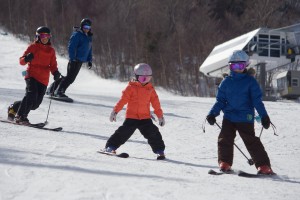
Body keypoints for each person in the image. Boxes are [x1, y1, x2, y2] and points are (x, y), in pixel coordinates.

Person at [206, 50, 274, 175]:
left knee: (251, 140)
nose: (237, 69)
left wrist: (264, 116)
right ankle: (225, 162)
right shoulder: (226, 82)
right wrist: (212, 114)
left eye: (240, 66)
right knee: (224, 138)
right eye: (234, 66)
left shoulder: (250, 82)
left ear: (245, 66)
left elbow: (257, 102)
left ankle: (263, 165)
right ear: (230, 66)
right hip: (229, 117)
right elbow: (220, 101)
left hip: (245, 117)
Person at [103, 63, 166, 159]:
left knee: (153, 133)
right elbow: (123, 100)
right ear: (136, 77)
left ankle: (160, 151)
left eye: (148, 78)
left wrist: (160, 116)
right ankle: (110, 147)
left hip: (145, 117)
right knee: (123, 133)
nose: (145, 81)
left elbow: (156, 104)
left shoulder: (150, 89)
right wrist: (115, 111)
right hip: (131, 117)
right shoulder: (131, 88)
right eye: (142, 78)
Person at [7, 26, 61, 124]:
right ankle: (21, 116)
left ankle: (14, 107)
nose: (45, 38)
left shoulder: (51, 51)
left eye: (47, 36)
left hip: (43, 79)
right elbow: (21, 61)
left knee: (35, 104)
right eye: (43, 35)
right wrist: (26, 59)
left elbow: (53, 65)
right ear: (38, 37)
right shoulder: (32, 47)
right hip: (31, 75)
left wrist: (55, 72)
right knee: (31, 95)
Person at [50, 18, 93, 98]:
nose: (86, 29)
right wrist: (72, 58)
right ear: (82, 26)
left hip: (80, 60)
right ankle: (59, 91)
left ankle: (52, 89)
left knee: (70, 77)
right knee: (70, 78)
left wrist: (89, 60)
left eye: (88, 27)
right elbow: (71, 47)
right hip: (75, 59)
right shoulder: (77, 35)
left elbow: (89, 49)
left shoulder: (88, 37)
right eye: (85, 27)